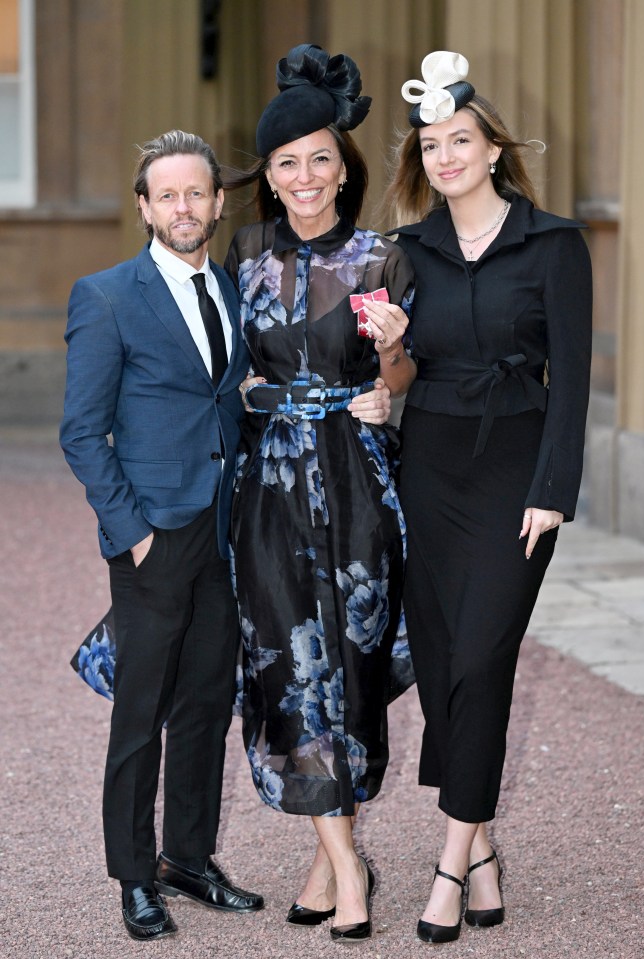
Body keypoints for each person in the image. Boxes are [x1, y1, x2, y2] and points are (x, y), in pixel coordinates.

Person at [366, 52, 592, 944]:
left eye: (460, 139)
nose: (445, 156)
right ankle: (486, 851)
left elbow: (569, 379)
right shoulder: (411, 248)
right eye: (430, 145)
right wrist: (388, 352)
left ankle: (448, 865)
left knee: (481, 661)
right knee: (441, 664)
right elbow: (401, 370)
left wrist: (552, 490)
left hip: (513, 474)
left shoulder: (553, 244)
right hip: (430, 468)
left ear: (492, 148)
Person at [223, 44, 414, 943]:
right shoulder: (246, 252)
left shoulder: (383, 257)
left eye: (319, 159)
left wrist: (387, 372)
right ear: (269, 175)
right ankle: (349, 868)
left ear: (345, 166)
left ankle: (328, 856)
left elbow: (408, 368)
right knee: (291, 669)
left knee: (350, 669)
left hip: (356, 482)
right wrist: (256, 395)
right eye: (286, 162)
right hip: (269, 487)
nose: (305, 177)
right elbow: (227, 374)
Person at [60, 130, 265, 942]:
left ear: (217, 202)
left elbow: (232, 396)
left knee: (208, 704)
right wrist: (130, 530)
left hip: (225, 527)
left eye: (196, 192)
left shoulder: (235, 288)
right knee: (139, 713)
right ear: (144, 207)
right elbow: (81, 432)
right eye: (167, 194)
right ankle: (134, 876)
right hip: (154, 533)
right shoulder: (106, 294)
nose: (184, 207)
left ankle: (189, 856)